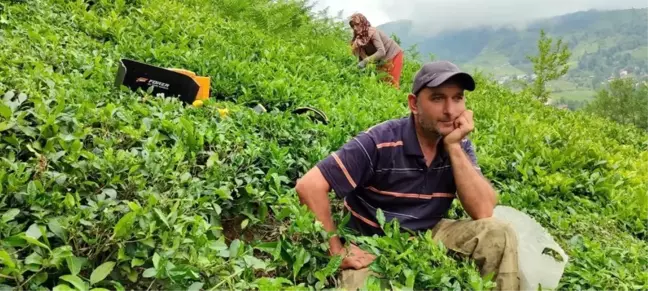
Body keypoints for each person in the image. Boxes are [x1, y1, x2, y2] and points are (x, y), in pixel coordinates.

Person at [295, 61, 520, 291]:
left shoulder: (460, 146)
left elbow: (483, 211)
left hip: (429, 234)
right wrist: (336, 251)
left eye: (457, 98)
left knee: (498, 233)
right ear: (414, 104)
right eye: (437, 98)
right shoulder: (379, 141)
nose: (450, 111)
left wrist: (453, 147)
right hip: (371, 243)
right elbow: (309, 186)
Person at [349, 13, 404, 89]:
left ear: (363, 23)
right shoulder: (358, 39)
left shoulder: (372, 32)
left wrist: (365, 61)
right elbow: (360, 57)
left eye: (357, 24)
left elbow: (381, 51)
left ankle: (397, 99)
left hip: (393, 54)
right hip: (381, 60)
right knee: (381, 83)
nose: (355, 28)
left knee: (392, 84)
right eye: (353, 26)